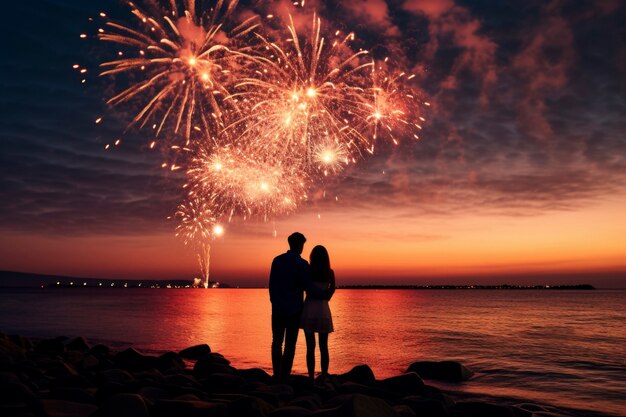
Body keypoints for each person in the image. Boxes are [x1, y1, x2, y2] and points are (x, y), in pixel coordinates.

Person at [269, 232, 329, 380]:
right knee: (290, 344)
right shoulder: (302, 265)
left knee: (277, 342)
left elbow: (271, 286)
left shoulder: (277, 261)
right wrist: (325, 294)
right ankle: (285, 375)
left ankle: (276, 373)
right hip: (294, 310)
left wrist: (274, 302)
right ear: (300, 245)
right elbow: (308, 287)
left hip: (277, 309)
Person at [300, 245, 336, 382]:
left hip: (309, 310)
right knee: (323, 346)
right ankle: (324, 376)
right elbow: (332, 290)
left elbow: (307, 289)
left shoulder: (308, 271)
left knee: (310, 347)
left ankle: (310, 377)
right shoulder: (330, 272)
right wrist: (326, 295)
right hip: (322, 311)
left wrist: (321, 294)